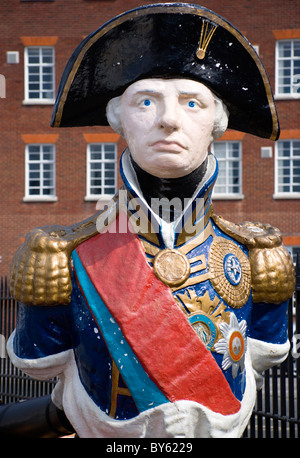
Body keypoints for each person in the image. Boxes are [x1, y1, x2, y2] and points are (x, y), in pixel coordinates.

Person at [6, 3, 295, 438]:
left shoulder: (255, 257)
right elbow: (39, 359)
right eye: (146, 101)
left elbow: (267, 352)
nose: (169, 119)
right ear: (117, 118)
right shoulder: (63, 256)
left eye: (192, 102)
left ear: (217, 123)